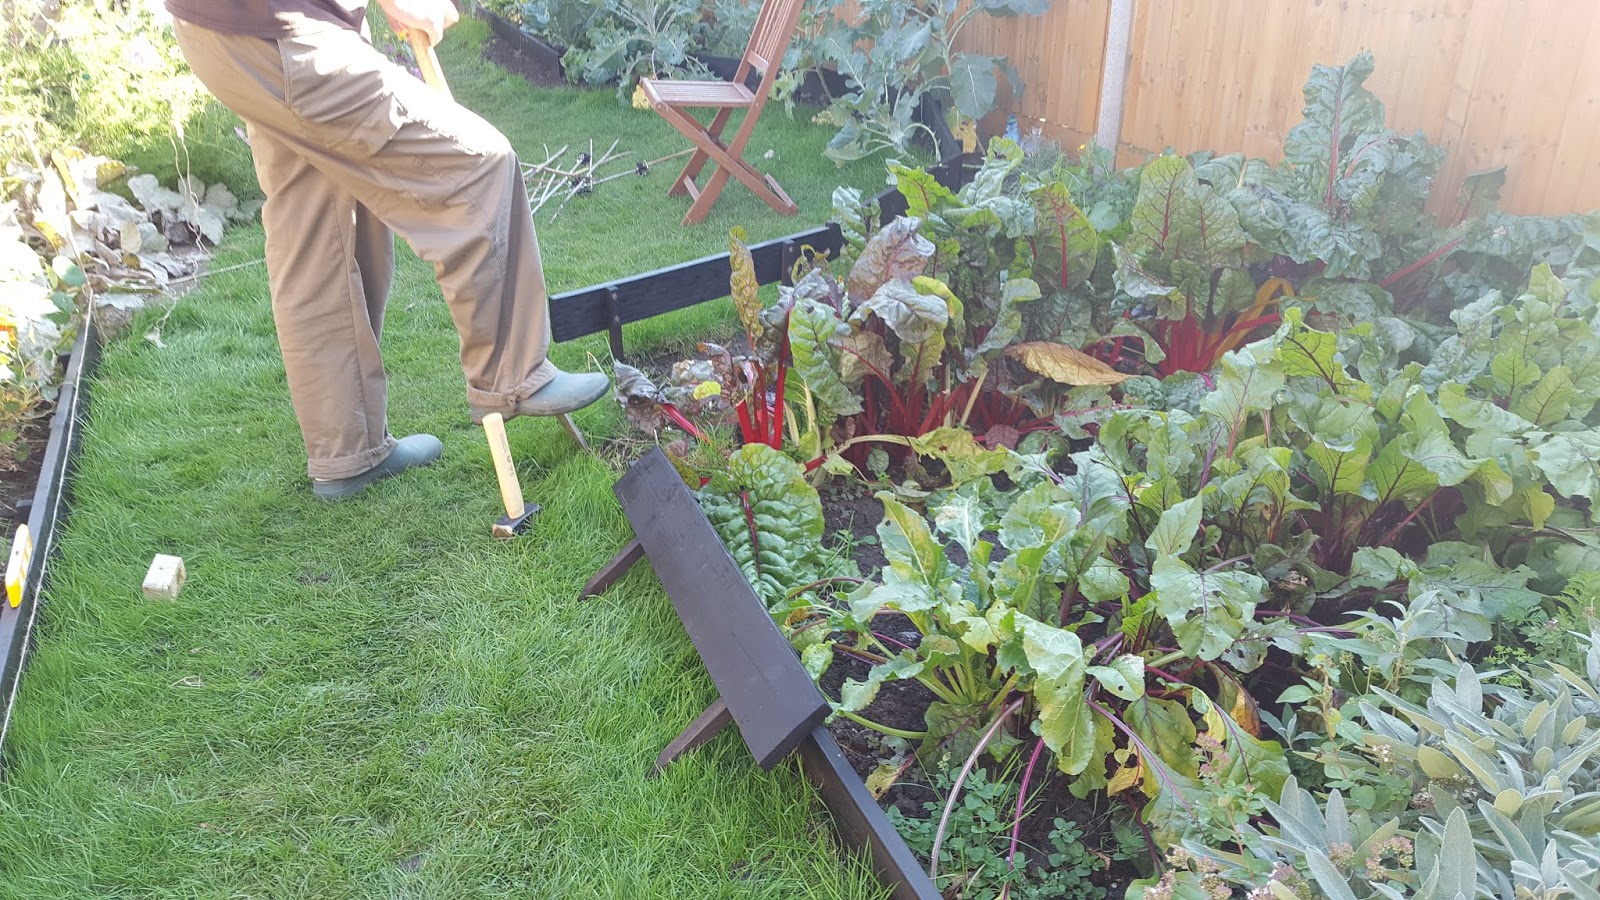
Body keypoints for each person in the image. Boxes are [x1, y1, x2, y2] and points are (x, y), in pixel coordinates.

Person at [163, 0, 609, 500]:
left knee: (320, 232)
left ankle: (346, 454)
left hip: (223, 32)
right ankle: (515, 377)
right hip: (282, 33)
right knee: (479, 168)